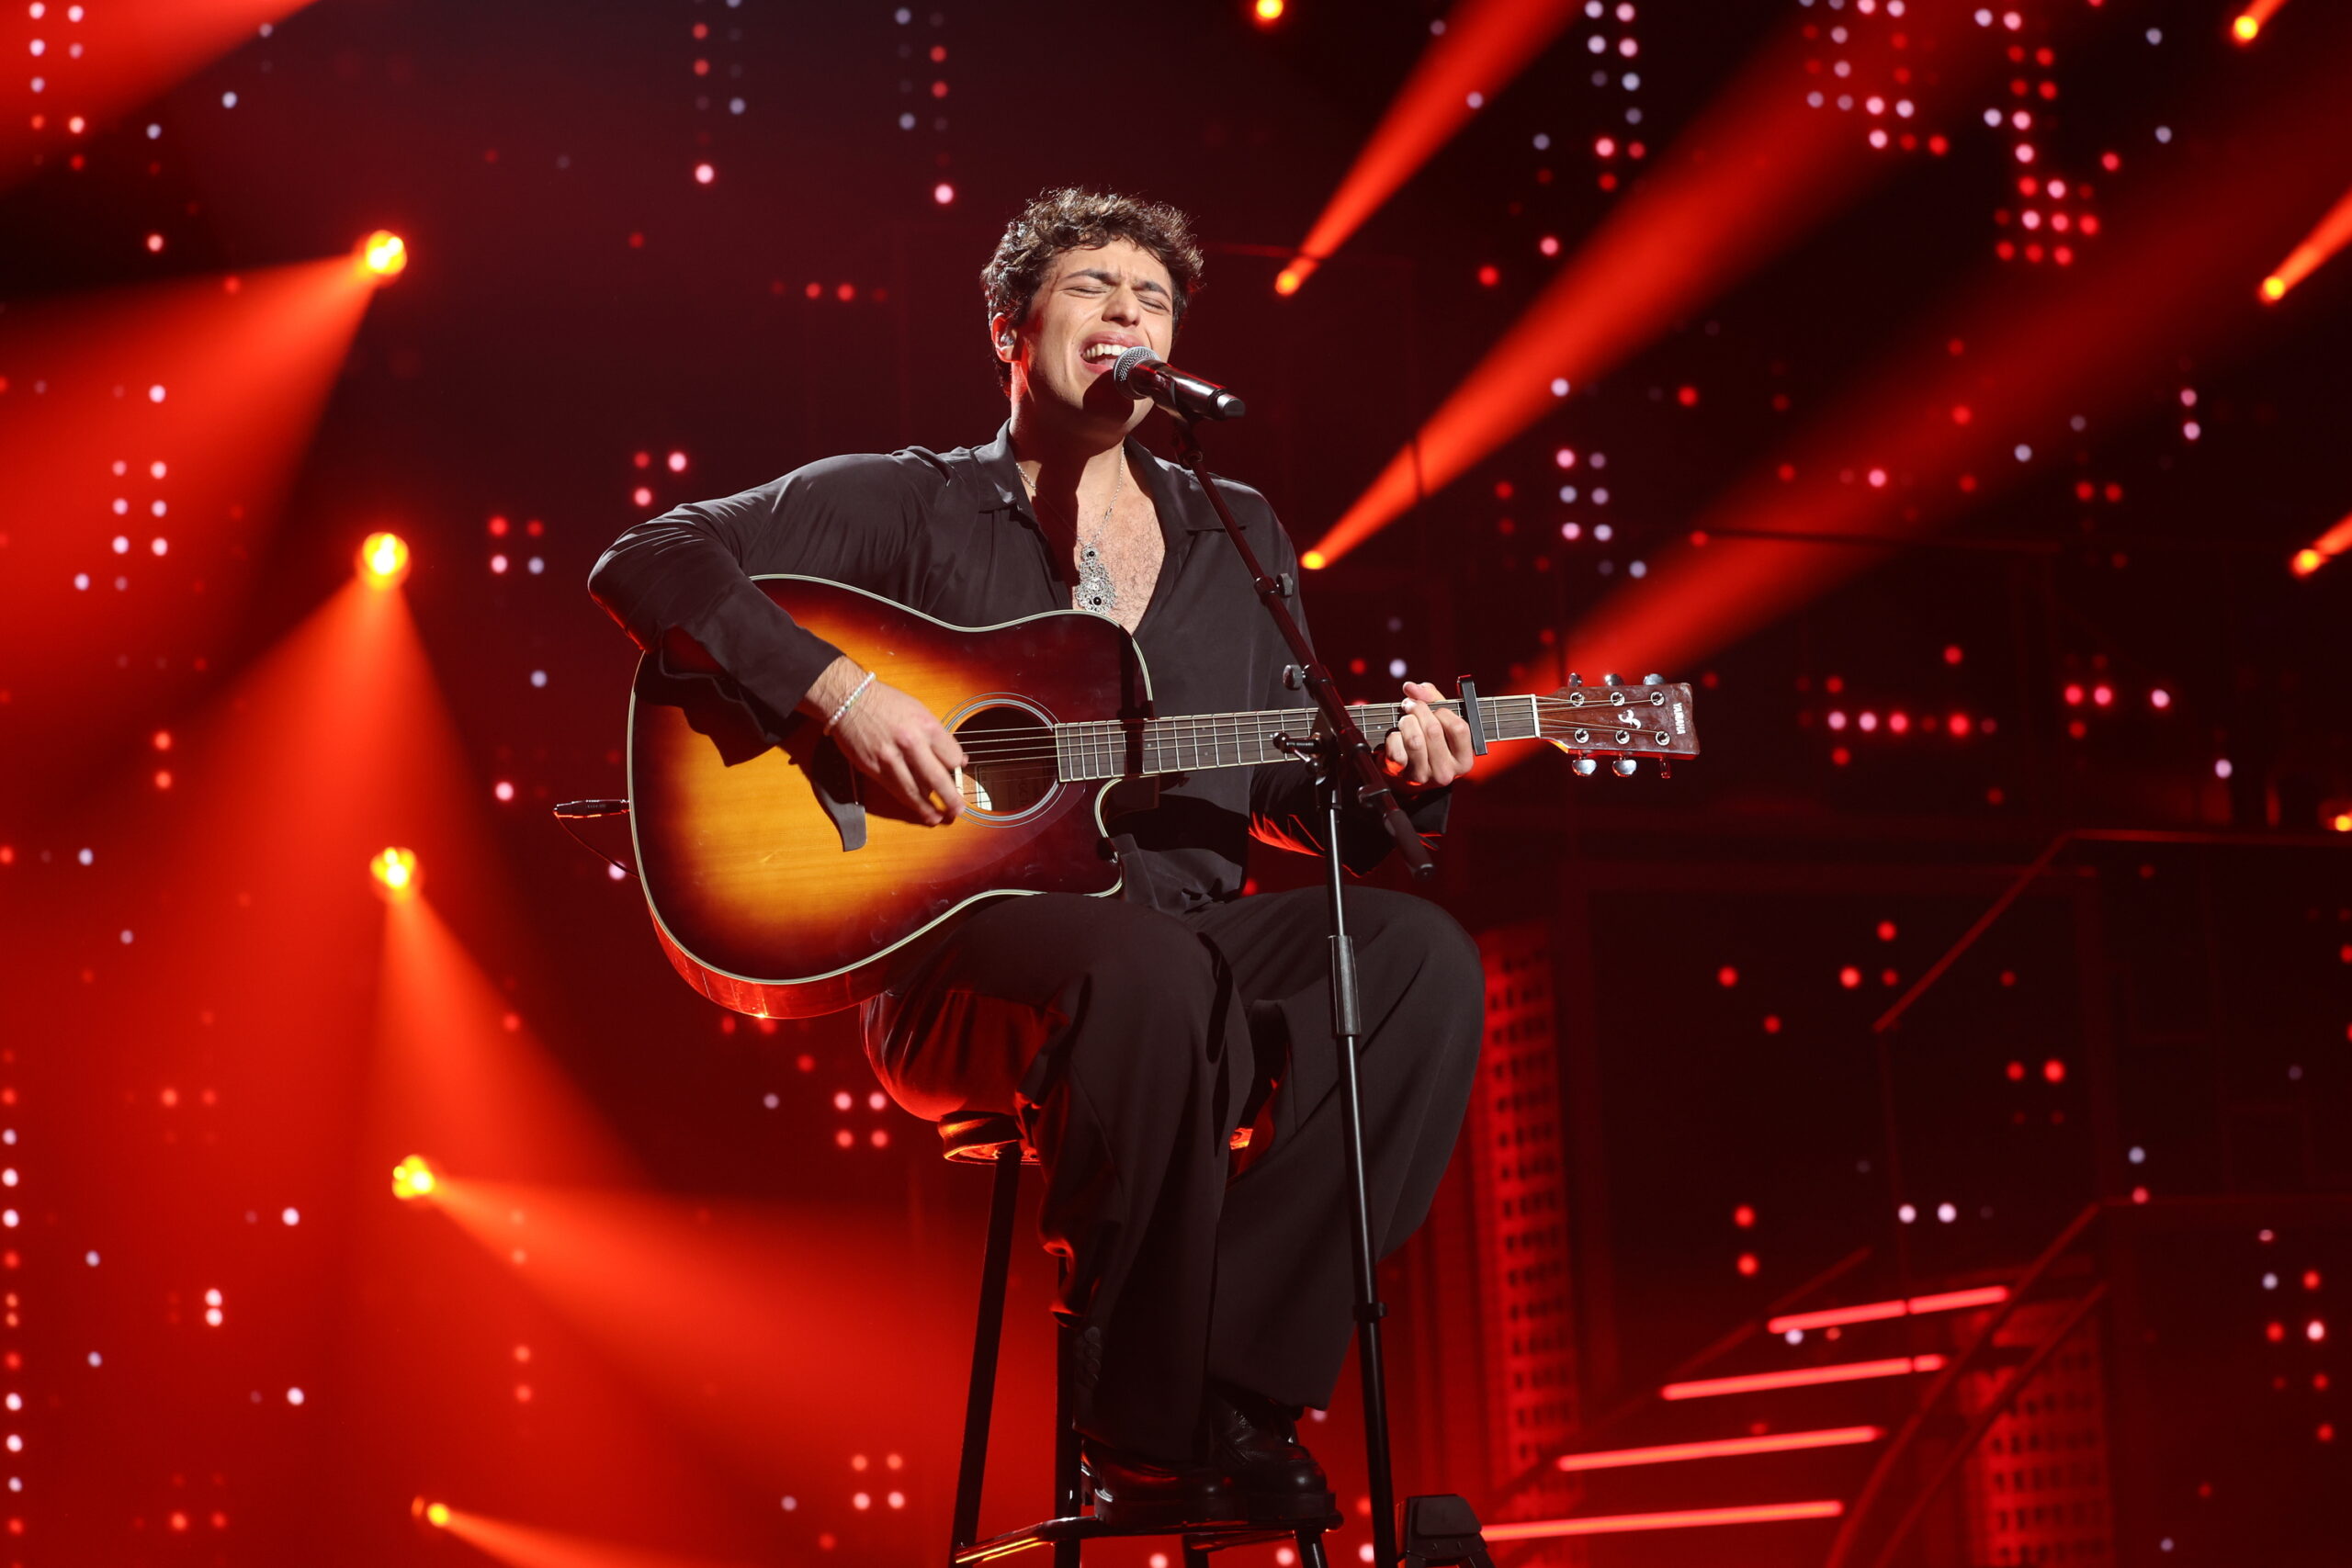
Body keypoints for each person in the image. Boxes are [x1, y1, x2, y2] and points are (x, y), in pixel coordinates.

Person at [588, 188, 1484, 1529]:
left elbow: (1283, 798)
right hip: (961, 967)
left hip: (1178, 944)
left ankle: (1229, 1388)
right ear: (1010, 330)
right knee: (1144, 976)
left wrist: (1399, 776)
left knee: (1417, 962)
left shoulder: (1235, 529)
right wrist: (838, 695)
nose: (1129, 313)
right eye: (1093, 289)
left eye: (1154, 300)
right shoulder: (907, 502)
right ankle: (1144, 1417)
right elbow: (650, 557)